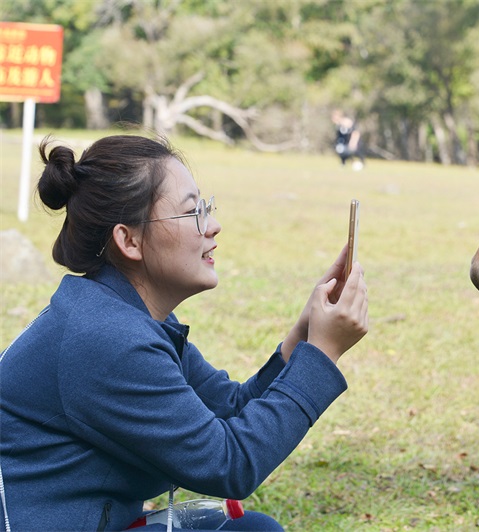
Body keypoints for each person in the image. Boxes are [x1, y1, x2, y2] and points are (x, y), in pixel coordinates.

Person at [0, 134, 369, 531]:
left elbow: (227, 408)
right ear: (129, 240)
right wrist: (323, 354)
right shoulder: (106, 338)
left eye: (207, 208)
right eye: (193, 212)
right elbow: (229, 465)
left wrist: (302, 340)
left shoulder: (129, 316)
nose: (213, 226)